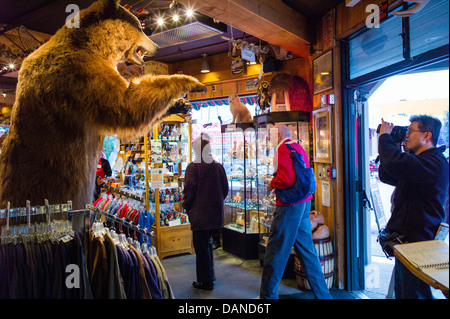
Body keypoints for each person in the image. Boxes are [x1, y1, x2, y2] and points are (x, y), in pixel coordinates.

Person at [378, 115, 449, 299]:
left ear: (426, 135)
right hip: (407, 243)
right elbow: (389, 173)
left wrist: (385, 137)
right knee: (404, 293)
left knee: (415, 294)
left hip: (419, 243)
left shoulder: (435, 163)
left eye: (410, 131)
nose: (407, 135)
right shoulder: (418, 162)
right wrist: (394, 141)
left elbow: (396, 163)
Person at [260, 124, 332, 299]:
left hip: (289, 206)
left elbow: (286, 179)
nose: (269, 139)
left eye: (271, 135)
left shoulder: (282, 149)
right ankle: (323, 296)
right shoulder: (297, 146)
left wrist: (272, 183)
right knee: (307, 251)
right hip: (303, 203)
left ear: (279, 135)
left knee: (276, 251)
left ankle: (268, 297)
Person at [182, 134, 229, 290]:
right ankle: (210, 275)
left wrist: (187, 206)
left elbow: (189, 191)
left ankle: (205, 281)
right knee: (207, 245)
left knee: (201, 246)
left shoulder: (193, 167)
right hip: (214, 213)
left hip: (199, 214)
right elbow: (225, 189)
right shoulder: (218, 166)